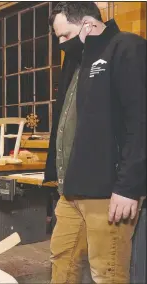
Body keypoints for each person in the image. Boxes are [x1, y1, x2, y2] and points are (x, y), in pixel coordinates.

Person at [44, 2, 146, 283]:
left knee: (107, 272)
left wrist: (128, 186)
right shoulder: (76, 61)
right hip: (72, 190)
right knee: (62, 262)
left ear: (88, 24)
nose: (62, 44)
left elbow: (140, 122)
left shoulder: (126, 48)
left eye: (65, 35)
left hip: (107, 192)